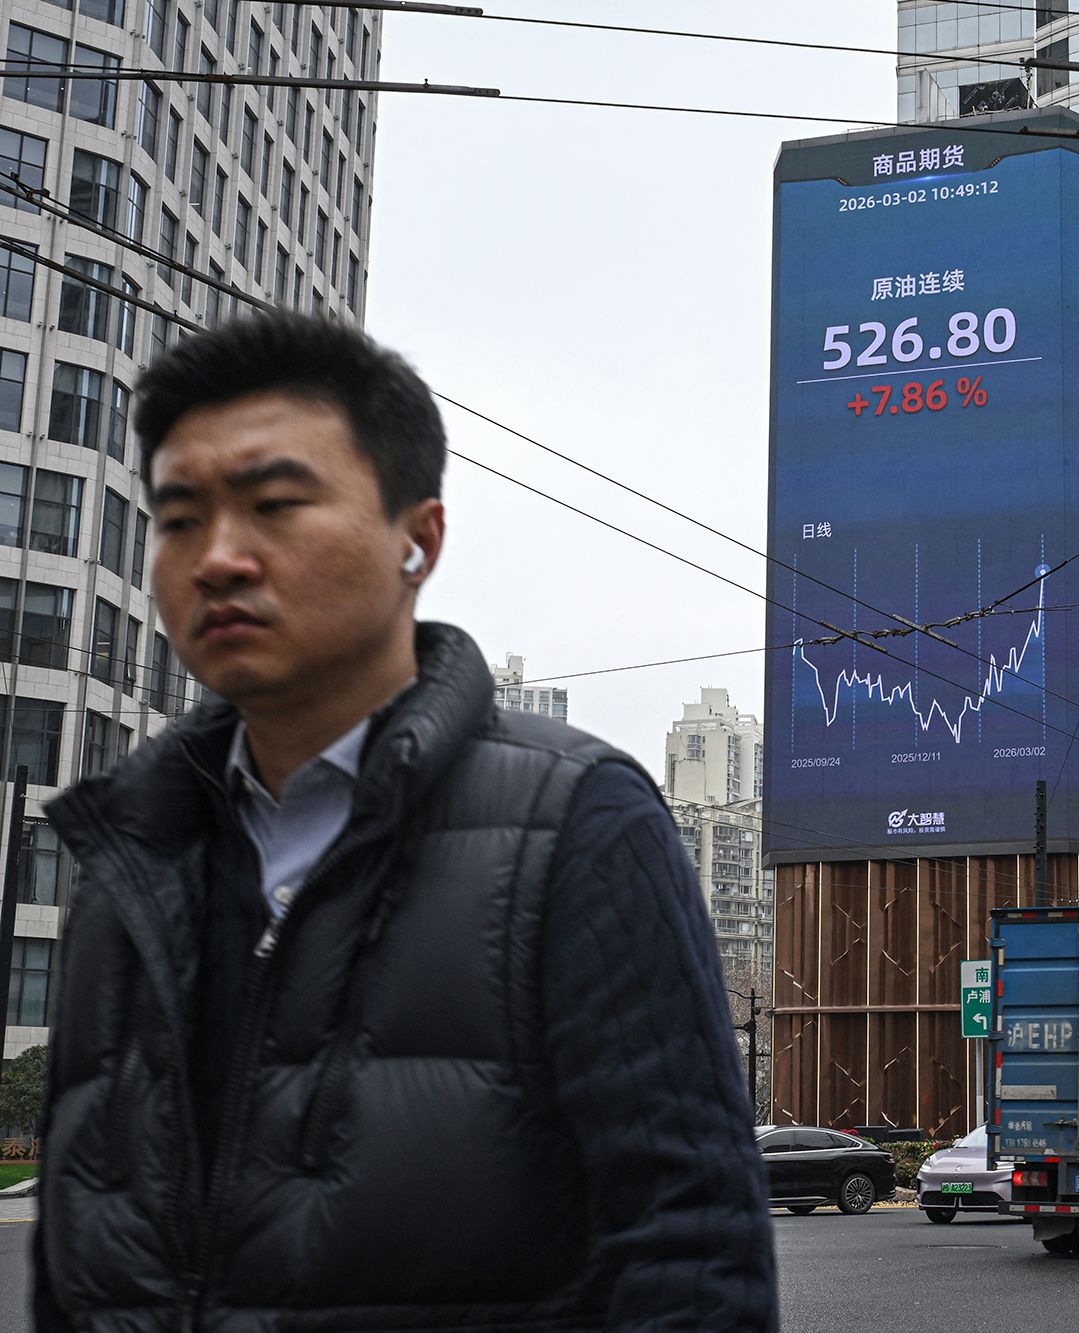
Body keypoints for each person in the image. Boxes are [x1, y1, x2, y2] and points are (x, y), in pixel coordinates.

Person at [32, 313, 777, 1330]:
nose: (217, 558)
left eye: (275, 505)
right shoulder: (126, 856)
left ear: (416, 539)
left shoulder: (573, 824)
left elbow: (689, 1259)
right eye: (178, 518)